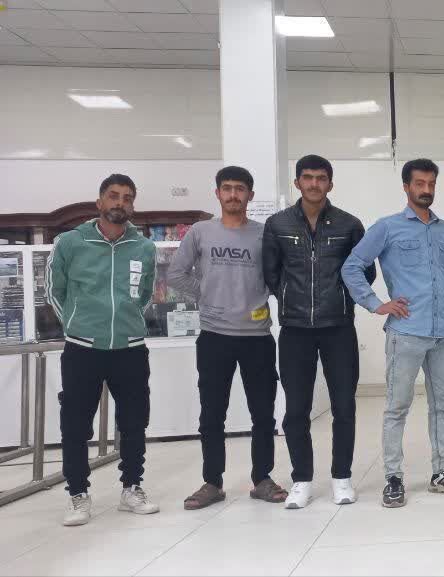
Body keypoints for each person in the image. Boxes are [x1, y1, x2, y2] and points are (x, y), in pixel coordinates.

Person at [341, 158, 444, 507]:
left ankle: (441, 473)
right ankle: (393, 478)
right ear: (406, 186)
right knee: (397, 407)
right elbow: (352, 267)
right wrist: (376, 304)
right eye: (420, 183)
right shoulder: (387, 228)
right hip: (407, 333)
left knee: (442, 407)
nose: (426, 189)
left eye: (431, 183)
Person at [48, 174, 159, 526]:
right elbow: (54, 290)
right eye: (113, 196)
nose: (120, 203)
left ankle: (132, 487)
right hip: (83, 349)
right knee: (76, 424)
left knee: (135, 422)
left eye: (127, 198)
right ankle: (78, 493)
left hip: (130, 348)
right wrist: (77, 326)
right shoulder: (70, 242)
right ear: (99, 202)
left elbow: (144, 294)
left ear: (132, 205)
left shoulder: (144, 247)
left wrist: (127, 323)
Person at [172, 166, 285, 511]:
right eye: (227, 188)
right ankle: (212, 482)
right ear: (218, 193)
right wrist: (206, 294)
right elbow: (176, 274)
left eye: (240, 189)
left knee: (263, 414)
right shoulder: (200, 232)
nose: (233, 194)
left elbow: (278, 278)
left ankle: (262, 479)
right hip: (214, 337)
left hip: (257, 337)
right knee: (212, 414)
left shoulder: (265, 234)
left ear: (250, 195)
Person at [264, 154, 372, 509]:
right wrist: (288, 298)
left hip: (338, 327)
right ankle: (302, 479)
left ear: (330, 183)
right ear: (297, 182)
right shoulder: (278, 224)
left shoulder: (349, 224)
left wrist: (341, 298)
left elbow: (364, 271)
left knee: (344, 406)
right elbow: (271, 272)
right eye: (308, 177)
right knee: (296, 409)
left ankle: (342, 478)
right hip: (295, 330)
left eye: (321, 178)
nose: (314, 184)